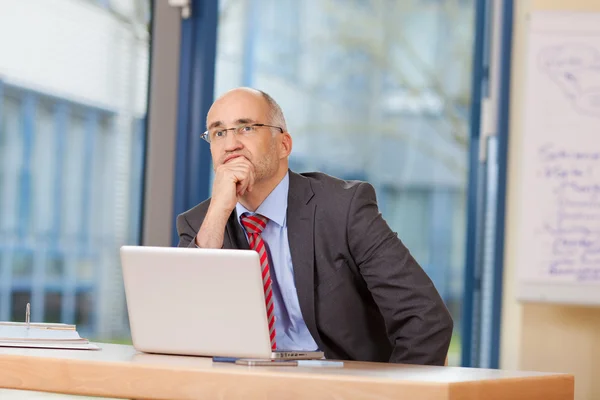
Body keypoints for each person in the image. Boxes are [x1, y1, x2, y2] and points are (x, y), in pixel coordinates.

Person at [176, 87, 453, 365]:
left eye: (246, 128)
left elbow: (426, 318)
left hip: (338, 389)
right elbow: (181, 328)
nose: (231, 143)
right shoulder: (202, 224)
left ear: (283, 145)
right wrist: (219, 212)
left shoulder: (342, 208)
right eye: (218, 132)